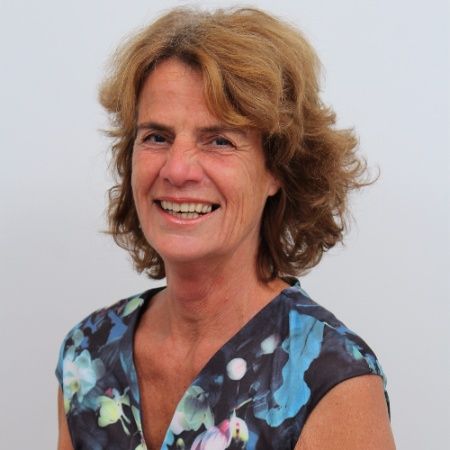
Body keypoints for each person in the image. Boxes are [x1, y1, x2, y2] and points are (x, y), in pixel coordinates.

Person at [56, 7, 395, 450]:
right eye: (157, 137)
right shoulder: (87, 354)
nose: (177, 169)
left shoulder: (332, 383)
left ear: (276, 169)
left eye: (219, 140)